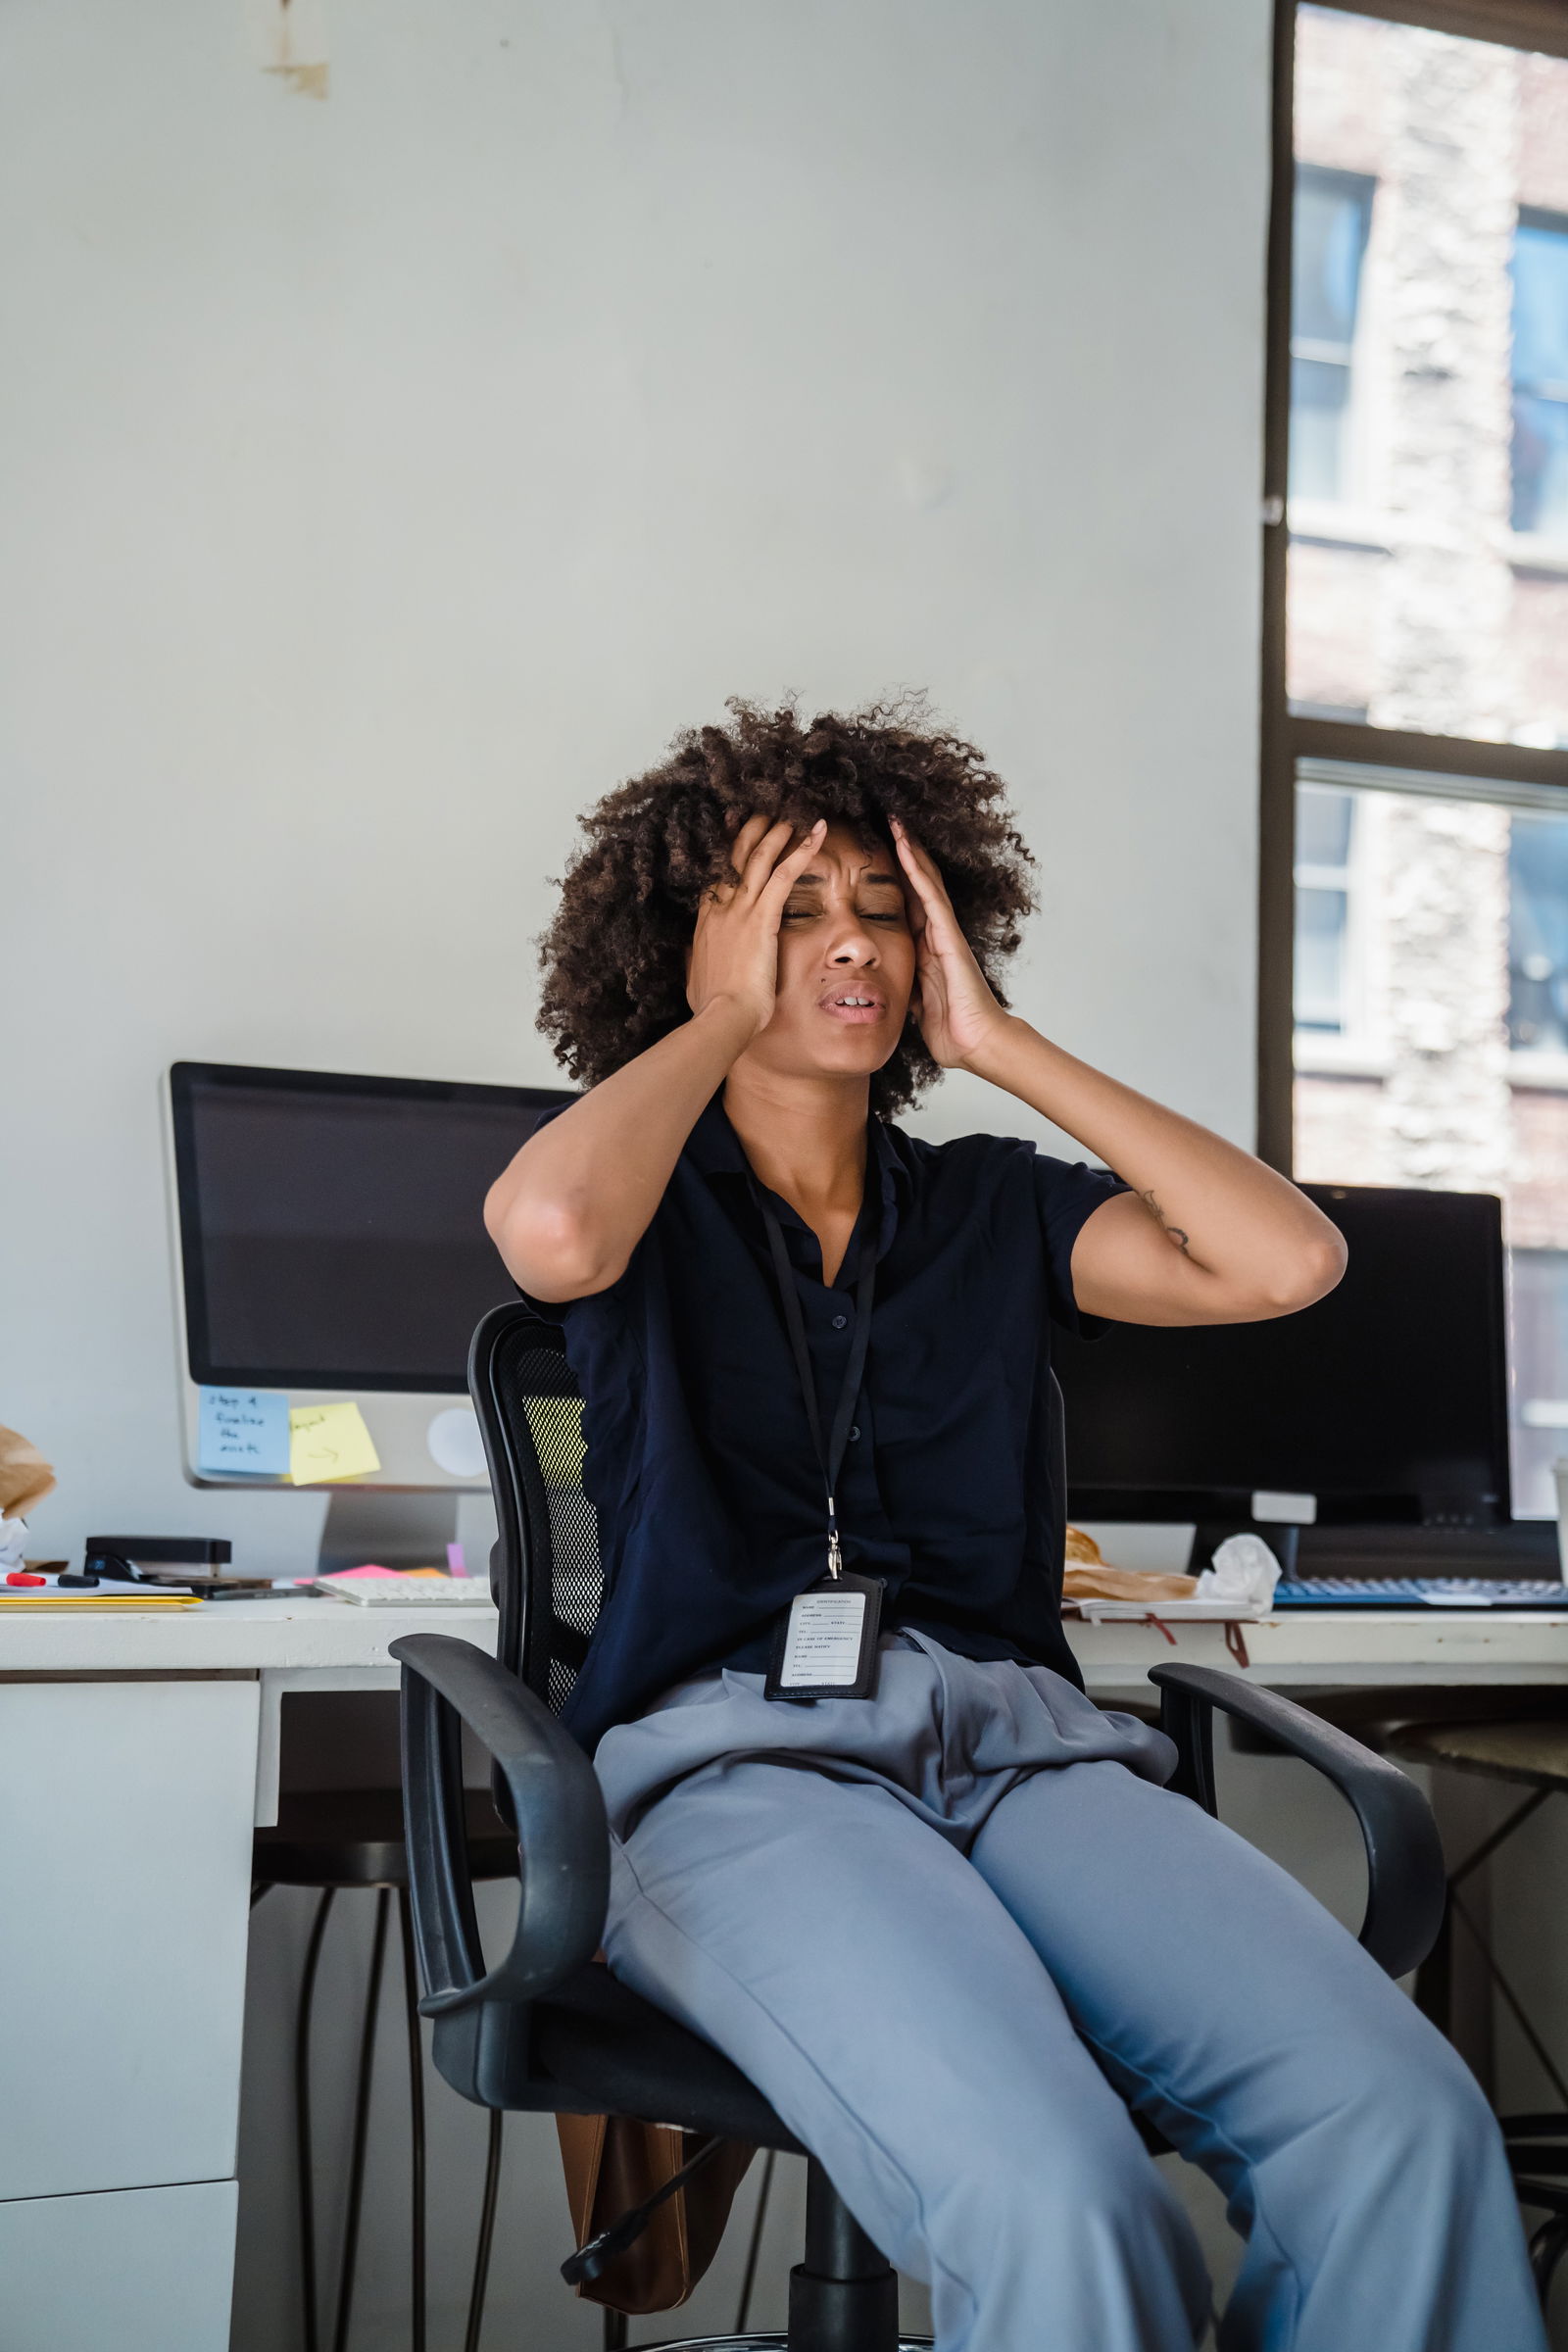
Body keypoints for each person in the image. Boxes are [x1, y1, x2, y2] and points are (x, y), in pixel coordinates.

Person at [484, 699, 1543, 2352]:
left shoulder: (989, 1204)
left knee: (1402, 2124)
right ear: (687, 945)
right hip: (735, 1770)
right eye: (793, 910)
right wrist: (710, 1022)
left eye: (885, 914)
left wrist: (1002, 1045)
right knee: (1063, 2196)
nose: (849, 950)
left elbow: (1287, 1263)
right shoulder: (641, 1194)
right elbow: (545, 1234)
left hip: (1028, 1750)